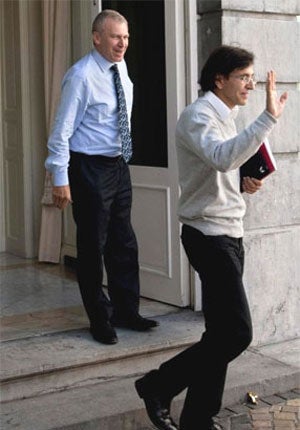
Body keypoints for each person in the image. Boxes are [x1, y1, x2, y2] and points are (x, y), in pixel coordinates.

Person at [134, 45, 288, 430]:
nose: (251, 85)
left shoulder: (227, 115)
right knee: (237, 332)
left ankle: (199, 419)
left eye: (253, 77)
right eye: (244, 77)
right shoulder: (197, 116)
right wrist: (268, 118)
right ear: (219, 79)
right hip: (207, 234)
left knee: (219, 333)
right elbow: (220, 156)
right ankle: (157, 385)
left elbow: (221, 168)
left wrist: (243, 180)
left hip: (230, 231)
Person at [45, 9, 158, 346]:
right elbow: (61, 130)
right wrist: (59, 177)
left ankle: (127, 311)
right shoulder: (80, 76)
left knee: (124, 242)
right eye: (114, 37)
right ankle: (100, 319)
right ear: (97, 38)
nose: (122, 43)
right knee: (93, 245)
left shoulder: (119, 67)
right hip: (88, 167)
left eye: (125, 37)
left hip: (117, 165)